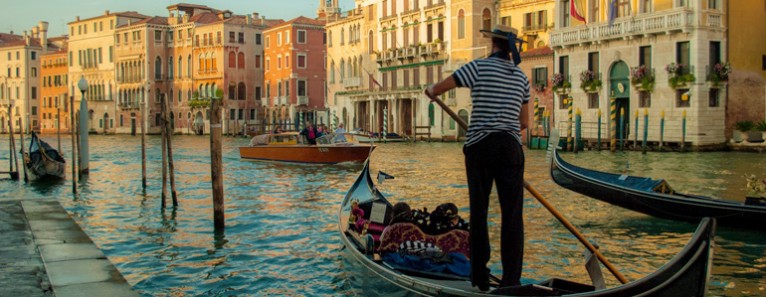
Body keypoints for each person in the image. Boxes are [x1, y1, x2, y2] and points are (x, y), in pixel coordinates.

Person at [423, 24, 530, 290]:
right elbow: (524, 122)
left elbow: (442, 86)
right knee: (513, 216)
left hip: (481, 146)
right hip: (511, 148)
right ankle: (511, 282)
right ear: (511, 47)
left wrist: (432, 91)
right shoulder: (521, 77)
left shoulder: (478, 67)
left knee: (480, 212)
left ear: (492, 43)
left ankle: (480, 278)